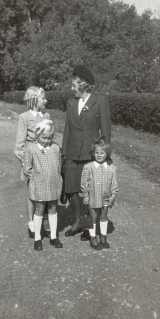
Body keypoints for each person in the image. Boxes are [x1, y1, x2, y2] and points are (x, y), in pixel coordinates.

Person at [61, 64, 111, 240]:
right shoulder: (70, 102)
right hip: (72, 153)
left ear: (82, 84)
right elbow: (67, 130)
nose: (72, 88)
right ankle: (77, 221)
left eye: (74, 85)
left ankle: (91, 225)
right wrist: (63, 155)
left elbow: (105, 131)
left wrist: (105, 156)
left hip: (91, 154)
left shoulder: (100, 101)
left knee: (92, 191)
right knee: (71, 188)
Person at [14, 86, 50, 238]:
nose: (46, 100)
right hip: (31, 159)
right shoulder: (24, 117)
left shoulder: (46, 116)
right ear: (35, 100)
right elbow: (19, 145)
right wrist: (25, 162)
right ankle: (31, 223)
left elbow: (50, 137)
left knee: (46, 189)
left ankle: (45, 221)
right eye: (43, 98)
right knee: (32, 191)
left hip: (46, 158)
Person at [23, 120, 63, 251]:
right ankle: (37, 238)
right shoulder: (32, 149)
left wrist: (57, 178)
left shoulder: (55, 148)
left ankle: (53, 237)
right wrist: (36, 178)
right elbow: (27, 168)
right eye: (44, 138)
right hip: (39, 185)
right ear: (37, 135)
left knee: (52, 209)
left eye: (50, 138)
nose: (47, 141)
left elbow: (59, 166)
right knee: (39, 209)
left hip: (53, 184)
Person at [81, 137, 118, 250]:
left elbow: (114, 184)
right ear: (93, 154)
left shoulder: (112, 168)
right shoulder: (88, 167)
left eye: (102, 153)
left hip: (105, 197)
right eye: (96, 153)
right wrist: (85, 195)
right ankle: (92, 237)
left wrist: (113, 196)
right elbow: (84, 183)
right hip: (93, 196)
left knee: (103, 216)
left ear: (107, 154)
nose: (99, 155)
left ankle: (103, 236)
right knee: (92, 216)